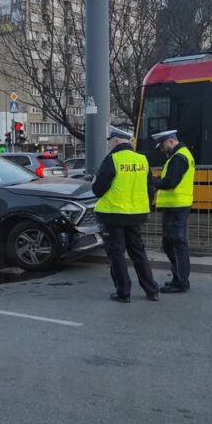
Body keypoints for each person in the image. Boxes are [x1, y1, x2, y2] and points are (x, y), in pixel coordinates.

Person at [92, 127, 160, 303]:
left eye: (110, 141)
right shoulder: (142, 159)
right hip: (136, 214)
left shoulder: (113, 159)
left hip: (113, 214)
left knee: (117, 254)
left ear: (115, 141)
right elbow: (149, 188)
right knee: (138, 252)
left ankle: (123, 292)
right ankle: (151, 289)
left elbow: (98, 189)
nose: (109, 144)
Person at [152, 129, 195, 294]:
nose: (161, 149)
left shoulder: (179, 158)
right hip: (174, 206)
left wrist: (154, 181)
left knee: (177, 244)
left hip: (176, 206)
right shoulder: (178, 156)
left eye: (162, 145)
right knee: (170, 244)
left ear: (171, 141)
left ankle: (181, 282)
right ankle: (178, 278)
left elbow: (171, 182)